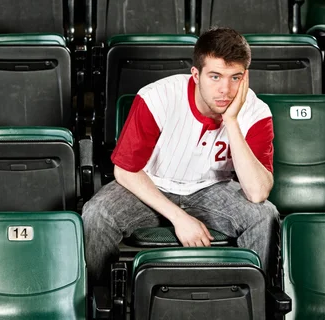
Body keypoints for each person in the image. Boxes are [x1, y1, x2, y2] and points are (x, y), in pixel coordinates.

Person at [82, 27, 279, 283]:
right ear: (196, 74)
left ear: (246, 77)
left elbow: (257, 193)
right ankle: (99, 302)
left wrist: (231, 121)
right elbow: (125, 170)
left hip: (212, 188)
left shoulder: (256, 112)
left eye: (235, 78)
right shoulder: (157, 97)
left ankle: (254, 301)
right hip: (151, 184)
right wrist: (179, 218)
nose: (226, 90)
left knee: (265, 216)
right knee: (96, 214)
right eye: (215, 76)